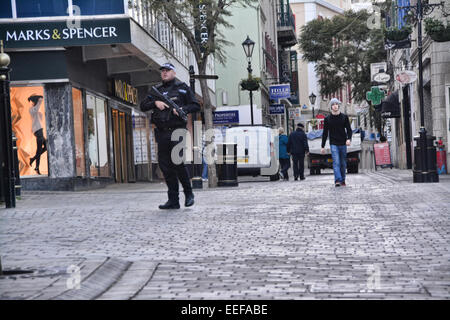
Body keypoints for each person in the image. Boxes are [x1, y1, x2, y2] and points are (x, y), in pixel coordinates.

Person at [140, 63, 200, 209]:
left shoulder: (182, 88)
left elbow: (195, 106)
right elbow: (143, 106)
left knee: (178, 162)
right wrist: (155, 103)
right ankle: (173, 200)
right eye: (163, 71)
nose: (164, 73)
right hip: (162, 132)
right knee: (165, 166)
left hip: (177, 130)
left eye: (167, 71)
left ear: (174, 72)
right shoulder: (156, 91)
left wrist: (181, 110)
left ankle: (188, 193)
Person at [321, 98, 353, 187]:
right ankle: (337, 180)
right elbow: (325, 133)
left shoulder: (344, 117)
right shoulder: (327, 119)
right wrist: (322, 146)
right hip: (333, 143)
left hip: (343, 143)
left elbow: (349, 130)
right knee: (336, 162)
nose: (335, 106)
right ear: (331, 107)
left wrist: (349, 139)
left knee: (343, 163)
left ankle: (343, 180)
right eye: (333, 104)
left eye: (336, 104)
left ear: (338, 106)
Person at [28, 94, 47, 175]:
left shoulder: (36, 110)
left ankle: (33, 160)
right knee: (39, 150)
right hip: (37, 131)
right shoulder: (32, 109)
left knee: (45, 147)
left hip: (40, 130)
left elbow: (40, 118)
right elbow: (36, 109)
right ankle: (36, 167)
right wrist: (40, 100)